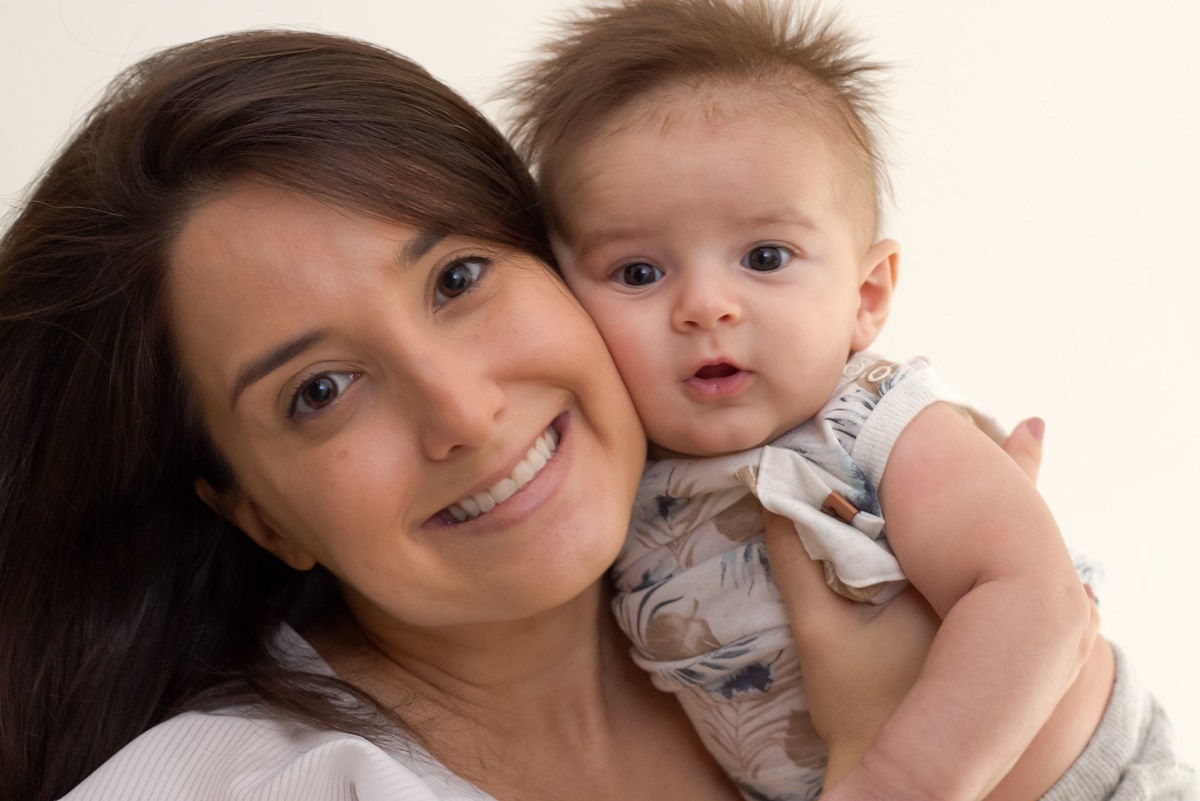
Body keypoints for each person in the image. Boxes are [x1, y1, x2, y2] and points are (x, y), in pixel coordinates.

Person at [0, 25, 1130, 801]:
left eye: (456, 280)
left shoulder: (811, 544)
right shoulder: (265, 783)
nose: (462, 409)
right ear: (260, 516)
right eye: (320, 392)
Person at [503, 1, 1196, 800]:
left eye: (764, 256)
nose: (705, 305)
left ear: (866, 295)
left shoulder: (874, 417)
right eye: (637, 272)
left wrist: (896, 783)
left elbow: (1037, 600)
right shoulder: (605, 486)